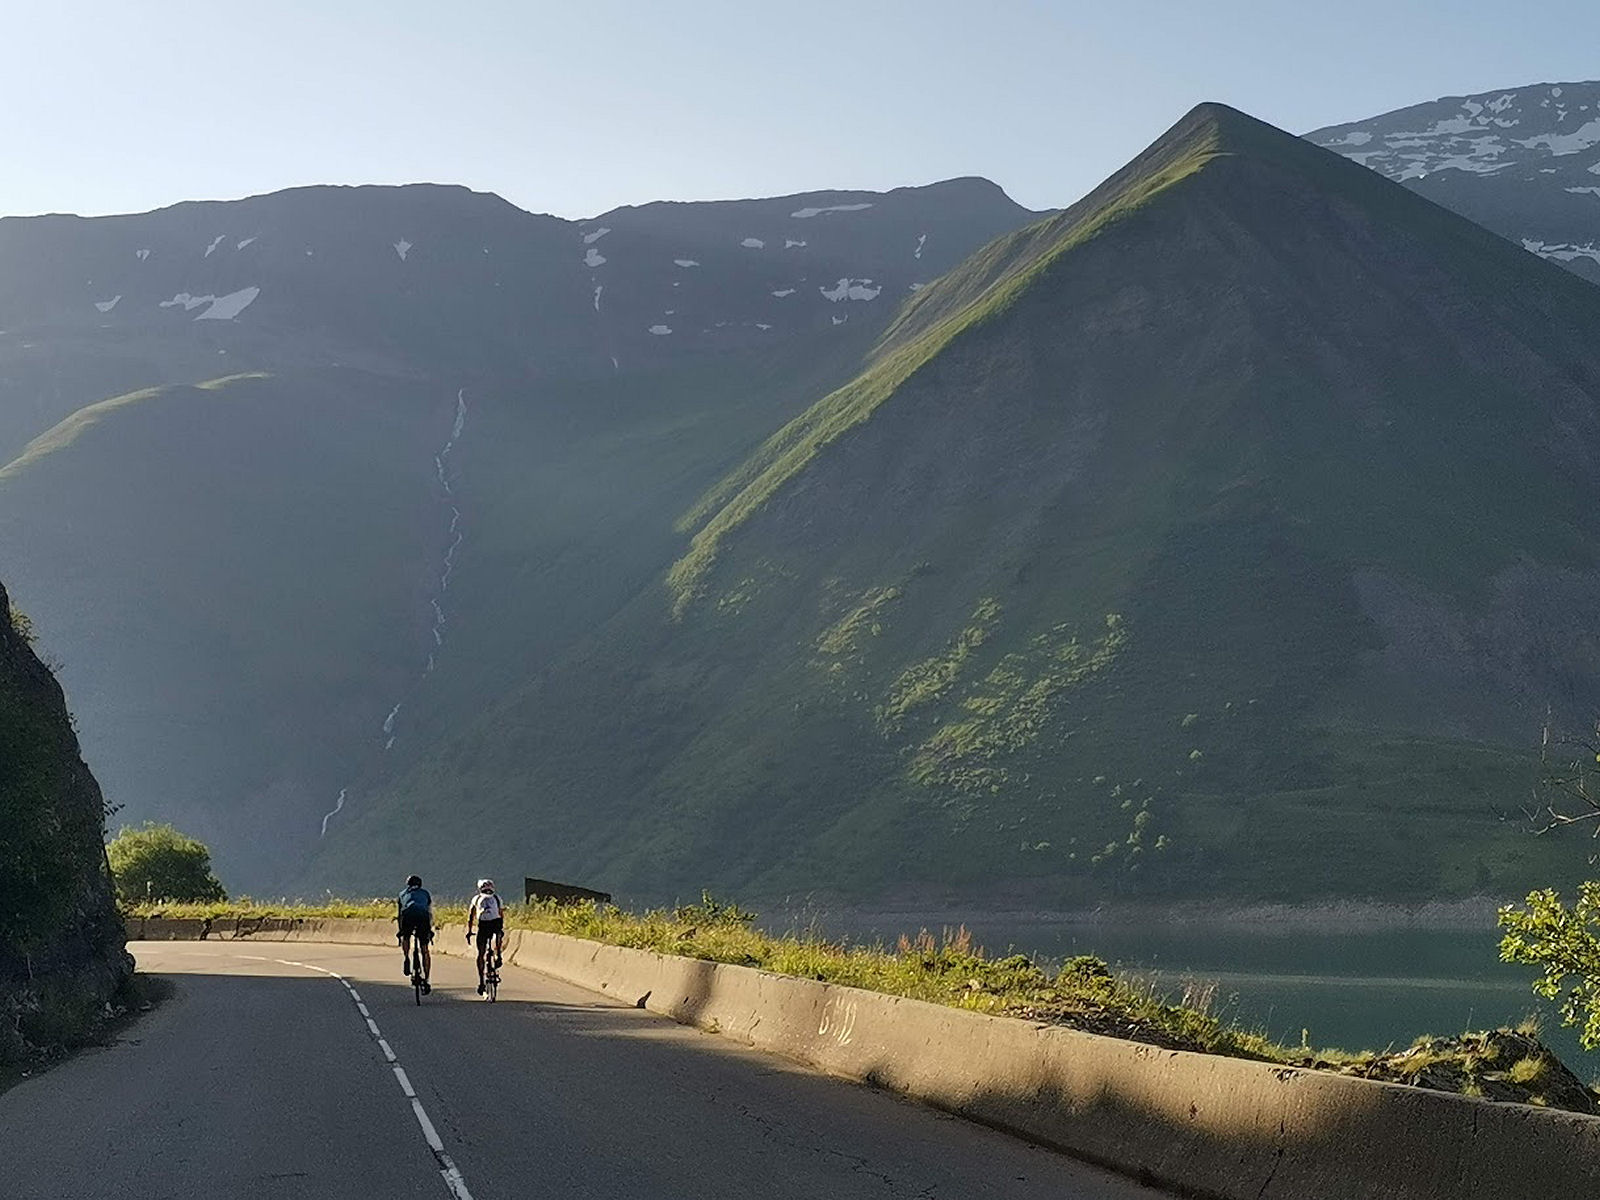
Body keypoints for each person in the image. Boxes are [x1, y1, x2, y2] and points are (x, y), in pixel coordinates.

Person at [466, 878, 505, 995]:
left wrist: (469, 931)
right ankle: (498, 955)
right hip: (496, 923)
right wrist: (501, 928)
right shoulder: (497, 898)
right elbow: (501, 914)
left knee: (481, 954)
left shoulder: (476, 899)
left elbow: (470, 916)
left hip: (483, 926)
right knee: (498, 934)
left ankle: (482, 982)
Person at [397, 873, 433, 993]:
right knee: (424, 949)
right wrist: (430, 930)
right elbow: (429, 912)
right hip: (423, 917)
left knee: (406, 937)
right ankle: (427, 979)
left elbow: (399, 914)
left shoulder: (402, 894)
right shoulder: (425, 893)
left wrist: (400, 931)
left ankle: (406, 957)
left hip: (408, 915)